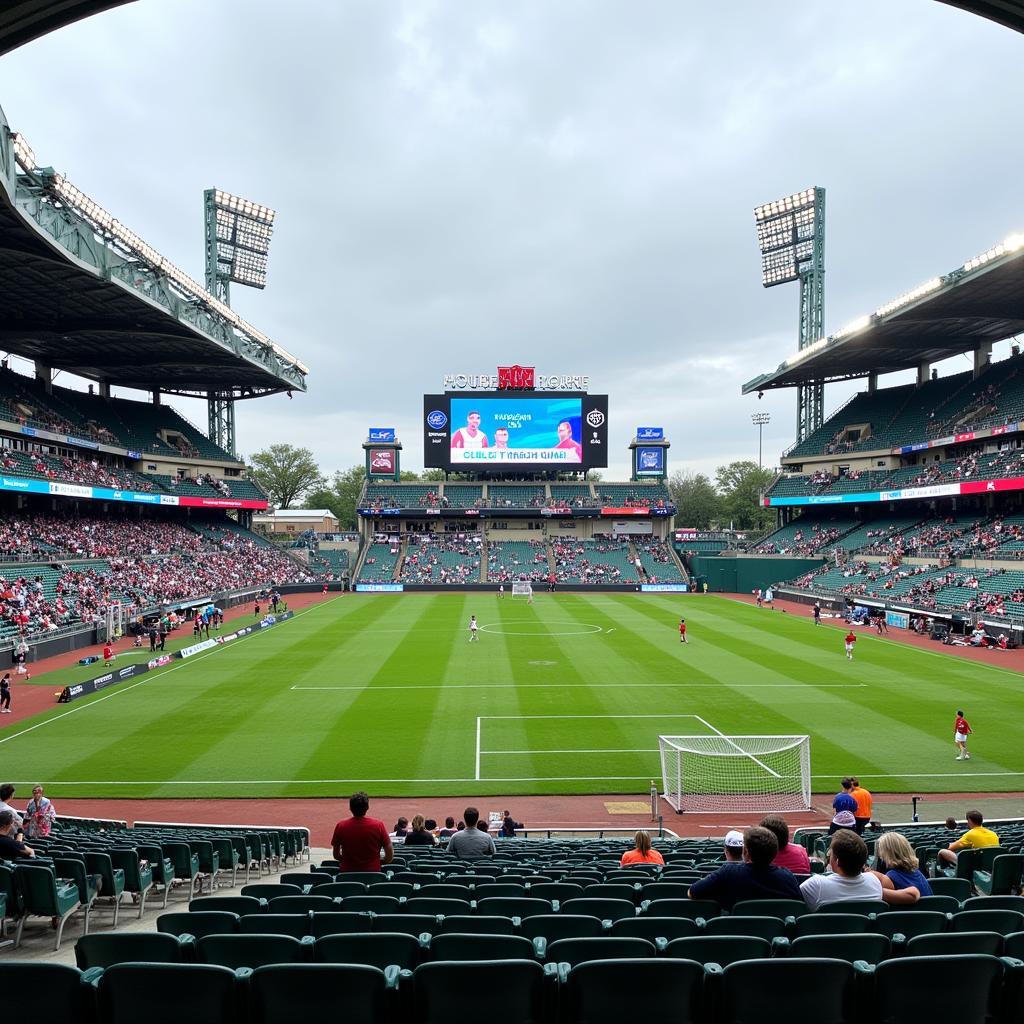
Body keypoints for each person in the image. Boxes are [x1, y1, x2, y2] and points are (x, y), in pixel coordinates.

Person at [687, 826, 801, 910]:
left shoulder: (728, 872)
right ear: (774, 853)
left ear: (745, 852)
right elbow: (798, 906)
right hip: (775, 937)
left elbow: (692, 892)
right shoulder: (787, 877)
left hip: (736, 934)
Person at [800, 830, 915, 910]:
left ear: (838, 861)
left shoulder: (816, 884)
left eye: (831, 854)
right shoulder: (874, 882)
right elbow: (913, 894)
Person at [330, 791, 393, 872]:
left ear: (350, 808)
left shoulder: (341, 826)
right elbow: (389, 855)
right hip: (373, 875)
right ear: (367, 807)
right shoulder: (378, 825)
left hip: (347, 874)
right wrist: (379, 861)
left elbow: (336, 855)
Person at [870, 832, 932, 897]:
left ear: (887, 853)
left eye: (880, 850)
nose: (879, 854)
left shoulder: (891, 876)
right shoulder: (918, 873)